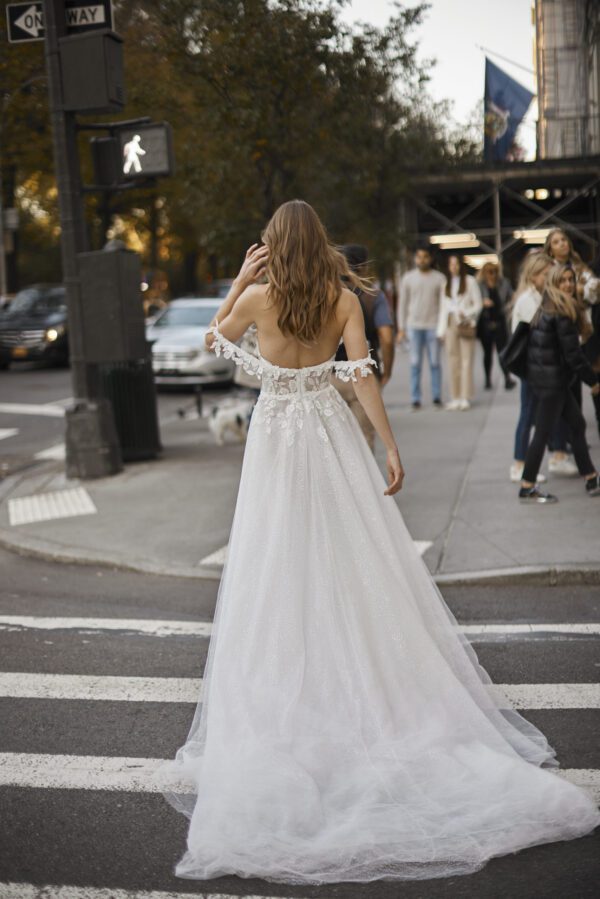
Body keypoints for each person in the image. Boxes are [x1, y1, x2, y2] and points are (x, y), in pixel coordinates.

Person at [156, 201, 600, 884]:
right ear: (321, 244)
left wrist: (238, 282)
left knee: (276, 569)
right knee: (351, 565)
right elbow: (362, 376)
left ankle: (293, 698)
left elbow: (216, 343)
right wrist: (389, 447)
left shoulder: (254, 297)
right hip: (332, 441)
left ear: (272, 247)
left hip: (275, 447)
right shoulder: (340, 299)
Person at [519, 263, 600, 503]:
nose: (567, 284)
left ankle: (590, 477)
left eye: (570, 280)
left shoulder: (548, 306)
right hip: (552, 383)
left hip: (551, 380)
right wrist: (593, 381)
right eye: (562, 280)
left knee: (576, 425)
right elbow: (573, 355)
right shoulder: (560, 311)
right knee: (543, 433)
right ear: (554, 283)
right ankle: (527, 484)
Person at [333, 244, 395, 451]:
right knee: (364, 444)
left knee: (335, 444)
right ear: (365, 267)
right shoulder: (373, 296)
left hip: (330, 376)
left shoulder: (327, 295)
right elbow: (386, 338)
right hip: (363, 375)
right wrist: (386, 370)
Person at [509, 252, 553, 482]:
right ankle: (519, 463)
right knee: (527, 413)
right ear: (534, 276)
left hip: (538, 366)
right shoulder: (528, 300)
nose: (548, 278)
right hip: (531, 367)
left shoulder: (539, 296)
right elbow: (535, 336)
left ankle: (546, 457)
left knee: (534, 414)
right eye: (545, 274)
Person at [397, 245, 445, 410]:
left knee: (435, 362)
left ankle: (437, 396)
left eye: (425, 257)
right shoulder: (408, 278)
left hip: (433, 326)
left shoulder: (439, 278)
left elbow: (443, 305)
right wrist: (401, 328)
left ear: (430, 259)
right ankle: (415, 398)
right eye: (419, 257)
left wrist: (442, 328)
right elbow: (402, 304)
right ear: (415, 258)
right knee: (415, 363)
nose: (421, 260)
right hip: (414, 326)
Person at [437, 254, 482, 411]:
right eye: (451, 264)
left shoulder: (470, 282)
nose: (454, 267)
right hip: (450, 323)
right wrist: (440, 330)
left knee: (467, 360)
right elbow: (442, 308)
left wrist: (467, 312)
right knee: (452, 360)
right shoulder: (445, 284)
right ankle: (455, 396)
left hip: (465, 323)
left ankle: (465, 396)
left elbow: (478, 304)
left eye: (456, 264)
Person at [476, 261, 516, 391]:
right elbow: (473, 301)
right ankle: (487, 379)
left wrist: (508, 308)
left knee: (502, 352)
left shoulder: (504, 283)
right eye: (489, 272)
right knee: (487, 353)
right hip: (485, 323)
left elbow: (512, 298)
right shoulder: (479, 285)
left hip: (500, 322)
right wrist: (482, 302)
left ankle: (507, 378)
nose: (492, 275)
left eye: (494, 272)